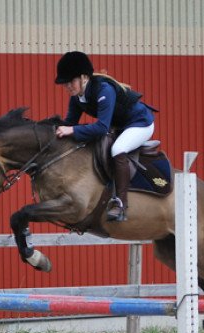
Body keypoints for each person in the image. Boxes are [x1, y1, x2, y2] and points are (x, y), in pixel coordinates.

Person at [54, 51, 155, 222]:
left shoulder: (104, 90)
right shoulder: (78, 97)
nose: (67, 87)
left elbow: (101, 128)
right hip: (119, 126)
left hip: (140, 123)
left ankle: (121, 203)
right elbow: (70, 123)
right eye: (65, 84)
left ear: (84, 77)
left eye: (71, 82)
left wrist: (71, 131)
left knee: (118, 149)